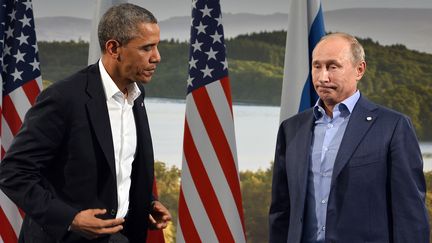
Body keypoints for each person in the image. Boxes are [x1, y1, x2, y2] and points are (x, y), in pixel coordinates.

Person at [0, 3, 171, 243]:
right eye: (147, 48)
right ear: (113, 48)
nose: (157, 57)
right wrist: (71, 219)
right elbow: (13, 173)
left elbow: (119, 168)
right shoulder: (63, 98)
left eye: (157, 46)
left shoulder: (136, 95)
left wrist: (148, 201)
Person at [269, 32, 429, 243]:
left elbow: (410, 217)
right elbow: (281, 212)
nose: (323, 77)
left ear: (359, 69)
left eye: (333, 66)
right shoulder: (291, 129)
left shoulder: (393, 127)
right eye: (317, 66)